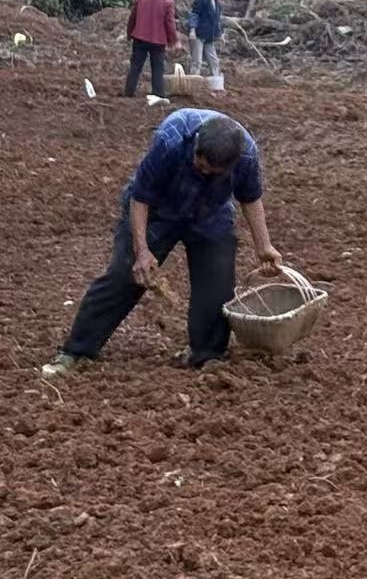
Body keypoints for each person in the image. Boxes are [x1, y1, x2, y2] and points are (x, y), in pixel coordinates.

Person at [42, 110, 281, 378]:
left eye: (211, 172)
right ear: (197, 146)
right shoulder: (171, 140)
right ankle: (76, 351)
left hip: (210, 214)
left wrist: (264, 247)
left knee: (217, 285)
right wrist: (142, 251)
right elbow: (140, 198)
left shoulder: (246, 155)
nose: (202, 172)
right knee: (124, 275)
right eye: (199, 165)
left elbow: (250, 199)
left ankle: (207, 355)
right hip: (157, 211)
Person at [124, 0, 179, 98]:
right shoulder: (168, 2)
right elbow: (169, 23)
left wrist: (129, 33)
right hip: (158, 40)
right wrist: (174, 41)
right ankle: (158, 94)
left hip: (139, 37)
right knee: (158, 68)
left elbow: (133, 17)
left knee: (135, 66)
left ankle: (129, 91)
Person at [188, 0, 225, 77]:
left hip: (210, 36)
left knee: (214, 61)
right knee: (197, 61)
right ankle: (193, 83)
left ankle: (216, 84)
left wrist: (220, 34)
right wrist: (192, 29)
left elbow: (216, 21)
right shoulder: (202, 0)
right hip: (199, 34)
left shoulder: (218, 4)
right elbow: (195, 14)